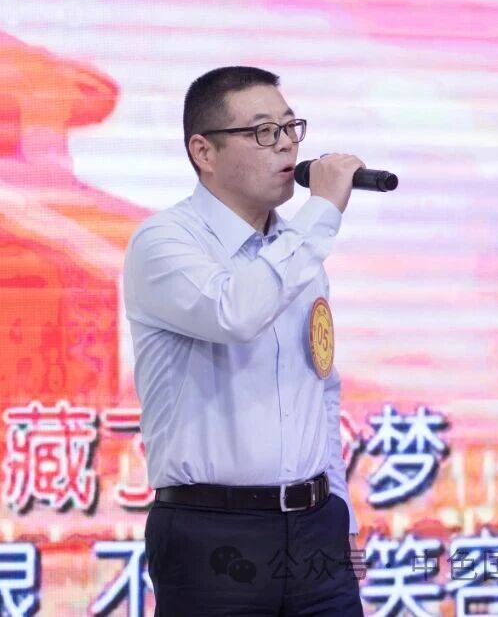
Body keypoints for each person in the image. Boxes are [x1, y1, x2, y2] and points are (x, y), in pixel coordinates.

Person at [123, 66, 366, 615]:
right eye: (262, 132)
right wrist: (322, 211)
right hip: (213, 532)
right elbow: (234, 312)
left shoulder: (297, 254)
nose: (286, 145)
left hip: (317, 530)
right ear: (204, 152)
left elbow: (321, 390)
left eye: (290, 128)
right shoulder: (165, 242)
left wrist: (341, 515)